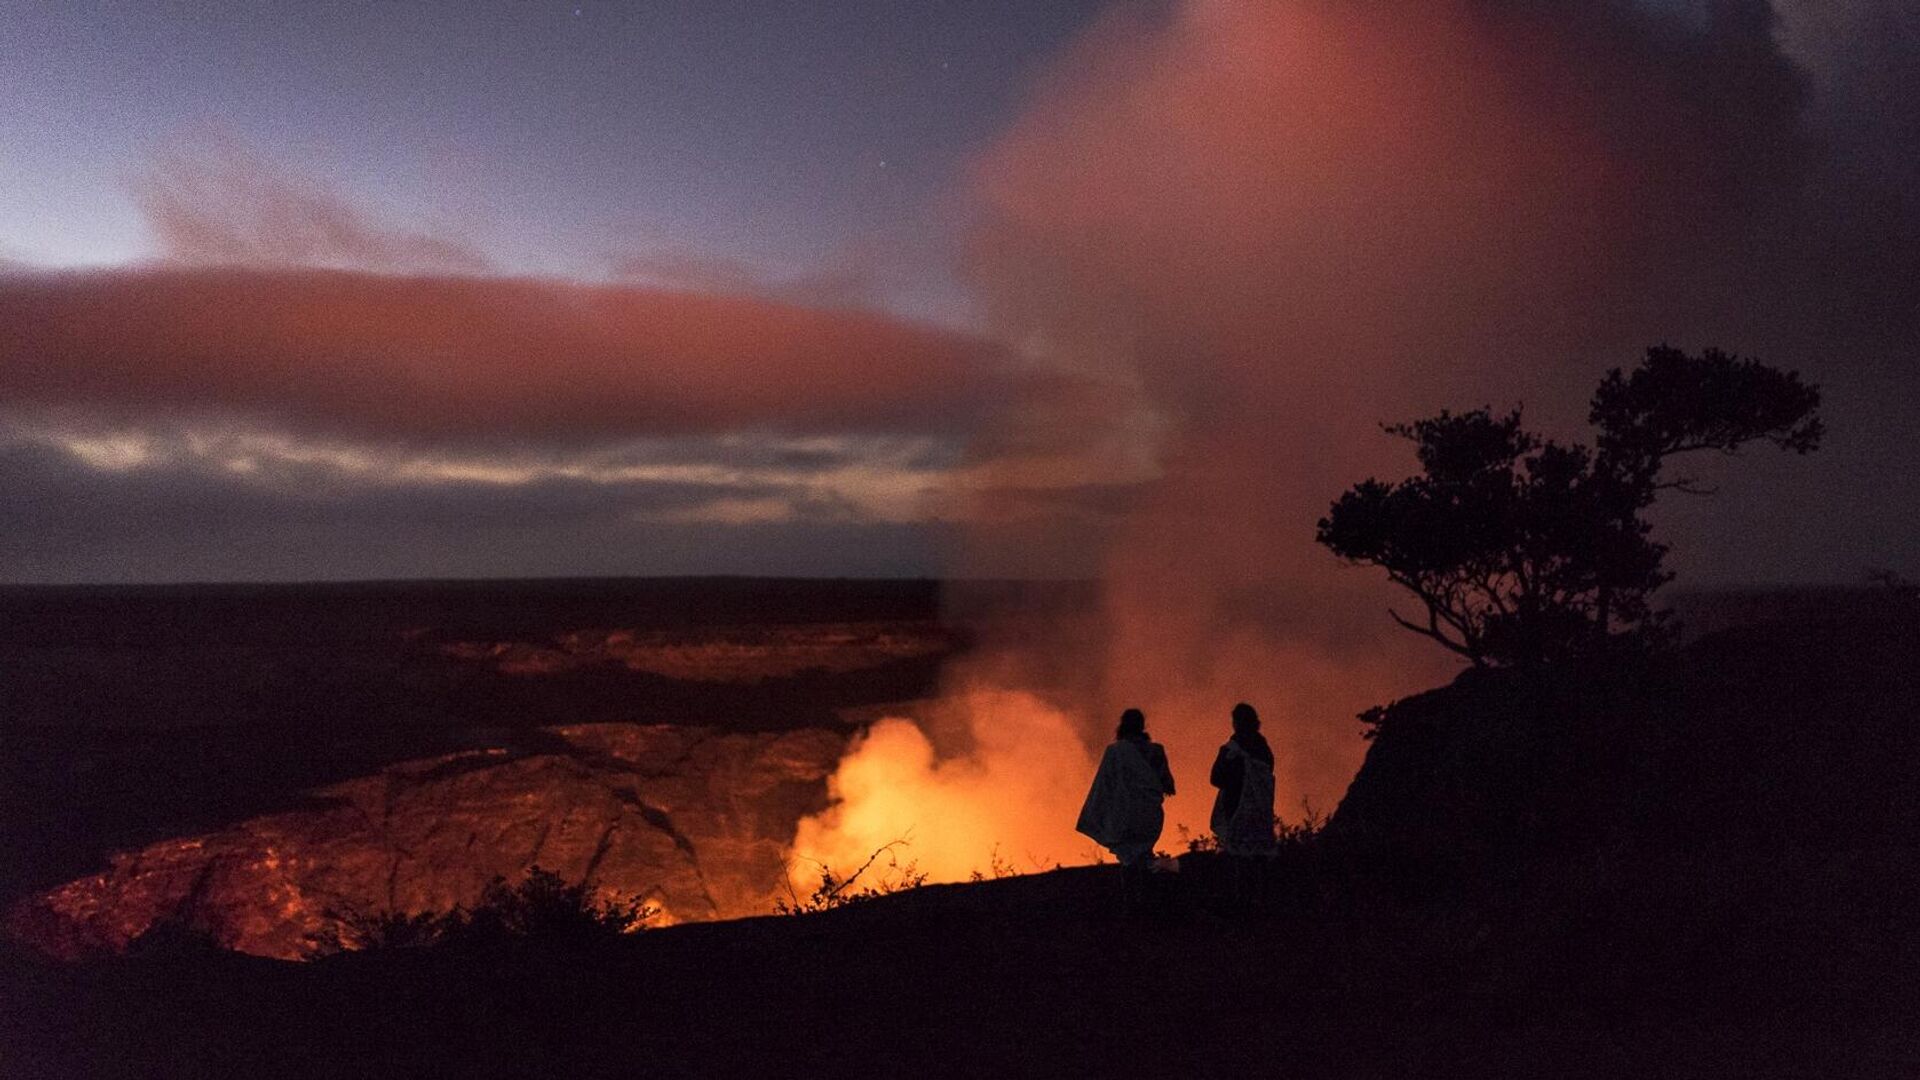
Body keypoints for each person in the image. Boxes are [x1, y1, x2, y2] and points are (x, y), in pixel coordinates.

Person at [1075, 708, 1176, 911]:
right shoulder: (1156, 751)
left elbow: (1104, 785)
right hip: (1150, 814)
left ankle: (1131, 903)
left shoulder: (1116, 752)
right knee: (1142, 855)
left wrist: (1098, 813)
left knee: (1129, 858)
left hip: (1125, 814)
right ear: (1142, 726)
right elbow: (1168, 785)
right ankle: (1148, 901)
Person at [1209, 702, 1276, 911]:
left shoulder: (1232, 749)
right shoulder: (1264, 749)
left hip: (1236, 809)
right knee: (1259, 856)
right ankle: (1261, 900)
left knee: (1238, 856)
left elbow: (1216, 778)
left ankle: (1241, 902)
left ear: (1236, 723)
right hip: (1261, 810)